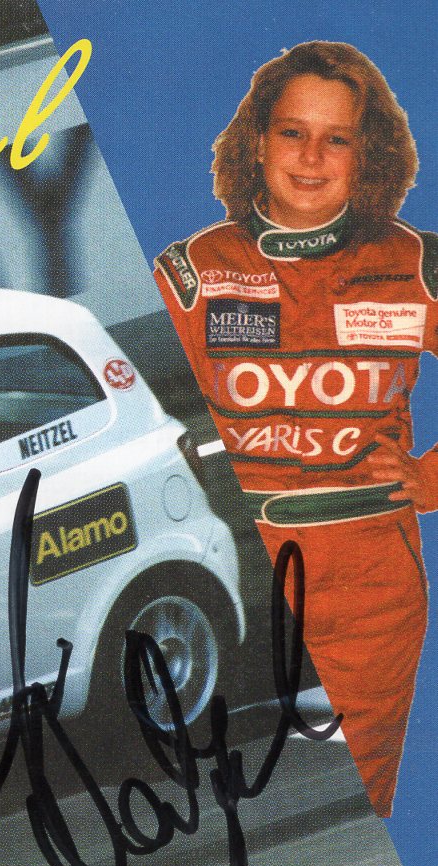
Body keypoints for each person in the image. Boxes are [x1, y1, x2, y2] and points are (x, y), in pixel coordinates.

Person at [154, 41, 438, 816]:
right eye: (292, 133)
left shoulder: (414, 265)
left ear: (367, 154)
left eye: (336, 138)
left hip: (372, 583)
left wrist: (429, 479)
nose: (311, 158)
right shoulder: (192, 273)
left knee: (364, 812)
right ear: (257, 142)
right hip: (250, 577)